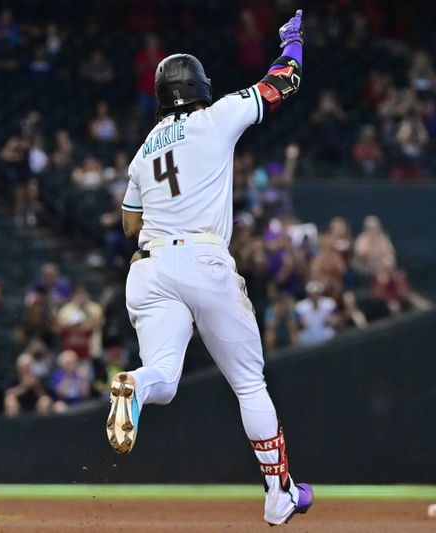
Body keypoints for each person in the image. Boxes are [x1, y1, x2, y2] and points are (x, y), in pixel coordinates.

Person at [108, 11, 311, 525]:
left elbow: (130, 223)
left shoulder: (141, 153)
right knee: (248, 384)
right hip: (203, 257)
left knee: (165, 379)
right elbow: (283, 83)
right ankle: (278, 492)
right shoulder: (215, 116)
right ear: (200, 86)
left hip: (150, 266)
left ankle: (134, 383)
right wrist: (292, 44)